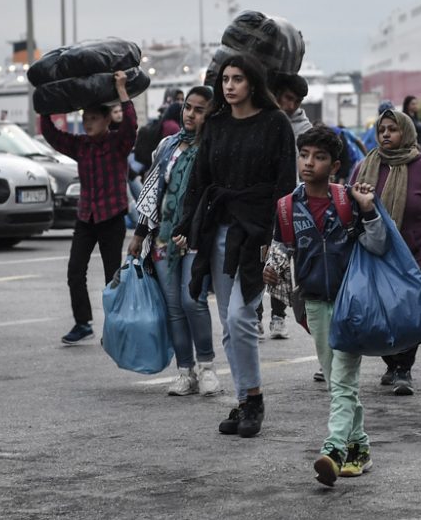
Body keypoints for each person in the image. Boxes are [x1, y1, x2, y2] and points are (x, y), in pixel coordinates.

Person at [174, 54, 296, 438]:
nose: (229, 86)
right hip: (220, 230)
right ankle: (244, 400)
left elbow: (284, 184)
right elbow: (200, 178)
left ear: (253, 83)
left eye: (238, 79)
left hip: (257, 232)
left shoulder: (275, 123)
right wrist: (185, 224)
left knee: (242, 317)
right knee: (228, 321)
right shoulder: (216, 124)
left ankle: (254, 399)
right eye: (225, 79)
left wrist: (277, 238)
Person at [262, 125, 389, 485]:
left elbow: (378, 245)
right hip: (314, 305)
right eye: (304, 155)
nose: (309, 162)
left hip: (352, 304)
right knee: (338, 383)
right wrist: (271, 269)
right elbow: (281, 249)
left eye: (318, 157)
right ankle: (360, 447)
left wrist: (369, 210)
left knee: (343, 381)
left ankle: (332, 450)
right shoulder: (286, 207)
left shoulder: (349, 200)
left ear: (334, 165)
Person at [352, 109, 421, 396]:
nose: (386, 134)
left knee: (409, 315)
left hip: (414, 256)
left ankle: (404, 368)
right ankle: (391, 362)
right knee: (380, 314)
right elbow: (346, 204)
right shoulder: (365, 166)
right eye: (382, 130)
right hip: (375, 256)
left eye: (392, 129)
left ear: (407, 132)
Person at [128, 86, 221, 397]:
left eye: (199, 109)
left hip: (196, 237)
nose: (191, 114)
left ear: (211, 114)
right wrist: (140, 233)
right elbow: (153, 192)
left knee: (192, 301)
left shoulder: (214, 148)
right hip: (163, 239)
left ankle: (207, 368)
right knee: (174, 308)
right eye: (188, 108)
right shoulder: (168, 146)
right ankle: (185, 372)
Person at [42, 72, 137, 345]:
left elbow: (131, 124)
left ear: (107, 120)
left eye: (94, 118)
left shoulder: (118, 143)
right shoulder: (80, 145)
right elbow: (51, 135)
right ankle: (83, 323)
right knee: (75, 271)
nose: (88, 123)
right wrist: (47, 103)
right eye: (85, 119)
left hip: (112, 215)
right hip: (86, 216)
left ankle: (114, 325)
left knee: (112, 275)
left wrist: (121, 89)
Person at [259, 72, 313, 341]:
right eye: (288, 98)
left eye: (297, 100)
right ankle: (255, 316)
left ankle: (278, 316)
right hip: (261, 201)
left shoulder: (304, 128)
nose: (292, 105)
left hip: (292, 202)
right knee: (260, 256)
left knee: (283, 257)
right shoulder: (262, 119)